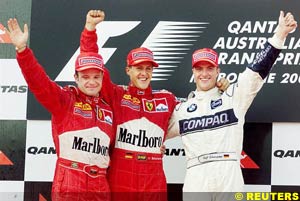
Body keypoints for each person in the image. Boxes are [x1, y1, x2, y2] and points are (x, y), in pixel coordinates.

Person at [80, 10, 229, 201]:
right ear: (128, 70)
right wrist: (90, 31)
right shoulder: (116, 93)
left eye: (148, 69)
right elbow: (91, 62)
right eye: (139, 68)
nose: (144, 73)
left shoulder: (166, 99)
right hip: (121, 174)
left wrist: (218, 89)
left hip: (154, 178)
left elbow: (198, 109)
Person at [167, 11, 297, 201]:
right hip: (196, 174)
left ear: (218, 70)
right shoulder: (182, 110)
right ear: (193, 72)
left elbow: (256, 71)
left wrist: (280, 34)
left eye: (210, 68)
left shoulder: (233, 97)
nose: (205, 74)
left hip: (229, 172)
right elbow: (153, 130)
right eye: (199, 69)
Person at [5, 18, 114, 201]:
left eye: (96, 76)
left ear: (103, 78)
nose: (92, 82)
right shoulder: (65, 100)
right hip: (71, 179)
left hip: (101, 184)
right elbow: (40, 83)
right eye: (85, 76)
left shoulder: (108, 109)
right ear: (76, 78)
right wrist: (23, 51)